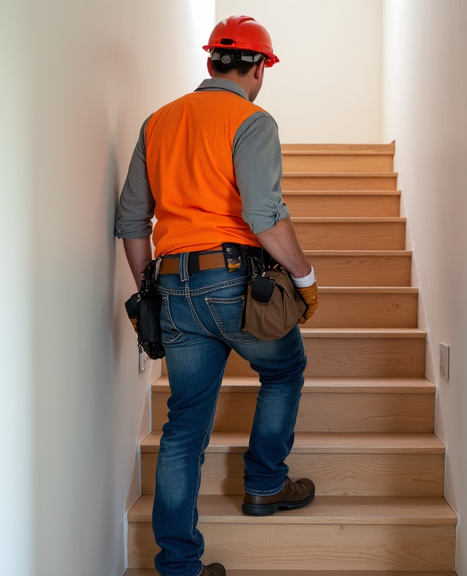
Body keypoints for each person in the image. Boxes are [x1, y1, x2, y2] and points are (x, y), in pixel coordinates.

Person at [114, 15, 320, 576]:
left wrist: (151, 290)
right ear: (260, 69)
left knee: (184, 425)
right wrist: (304, 279)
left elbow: (131, 222)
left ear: (210, 62)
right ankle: (265, 483)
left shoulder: (158, 121)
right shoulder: (252, 120)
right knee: (284, 369)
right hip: (233, 282)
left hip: (172, 284)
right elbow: (263, 215)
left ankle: (179, 566)